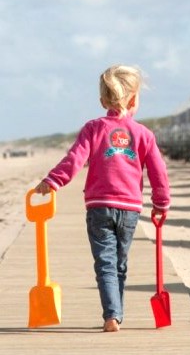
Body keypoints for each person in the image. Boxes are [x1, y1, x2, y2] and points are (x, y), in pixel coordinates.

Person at [35, 65, 170, 332]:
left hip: (98, 207)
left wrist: (52, 181)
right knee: (119, 262)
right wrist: (161, 203)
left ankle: (112, 316)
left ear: (102, 101)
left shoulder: (93, 128)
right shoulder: (144, 134)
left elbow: (74, 160)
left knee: (106, 262)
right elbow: (159, 172)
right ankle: (115, 314)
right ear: (134, 100)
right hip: (130, 209)